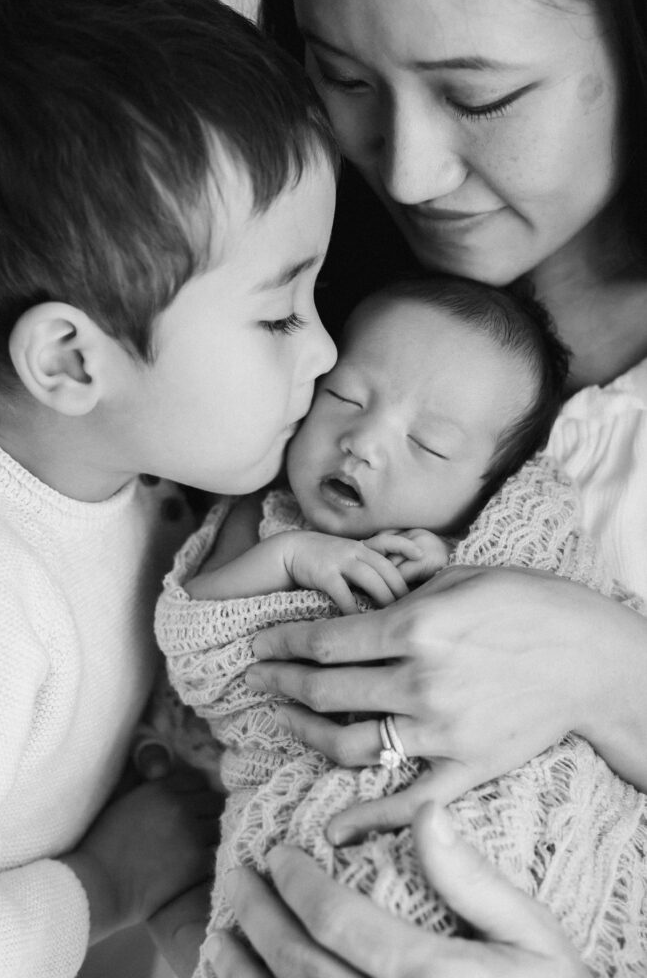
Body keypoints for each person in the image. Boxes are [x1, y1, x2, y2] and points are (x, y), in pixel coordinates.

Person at [156, 0, 647, 976]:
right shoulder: (259, 306)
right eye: (342, 77)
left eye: (480, 96)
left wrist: (611, 676)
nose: (406, 170)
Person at [0, 0, 341, 977]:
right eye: (278, 315)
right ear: (72, 363)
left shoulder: (141, 480)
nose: (323, 353)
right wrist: (103, 885)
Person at [153, 276, 647, 977]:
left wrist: (453, 563)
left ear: (492, 485)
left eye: (430, 445)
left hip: (529, 866)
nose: (362, 441)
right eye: (345, 398)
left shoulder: (518, 530)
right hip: (312, 842)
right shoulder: (267, 520)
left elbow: (581, 604)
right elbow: (196, 638)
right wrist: (286, 559)